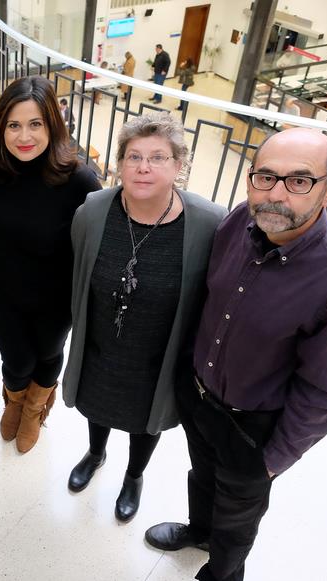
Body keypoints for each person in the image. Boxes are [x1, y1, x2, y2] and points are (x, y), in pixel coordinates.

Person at [145, 128, 327, 581]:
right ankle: (199, 530)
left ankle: (223, 572)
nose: (275, 194)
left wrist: (270, 462)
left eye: (298, 181)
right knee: (203, 476)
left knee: (238, 515)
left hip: (253, 426)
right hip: (200, 395)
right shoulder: (239, 222)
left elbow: (322, 393)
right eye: (265, 177)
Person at [63, 113, 226, 522]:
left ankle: (134, 476)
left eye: (158, 157)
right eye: (134, 156)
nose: (143, 166)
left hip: (158, 354)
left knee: (145, 420)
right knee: (96, 406)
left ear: (178, 166)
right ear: (120, 163)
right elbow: (78, 269)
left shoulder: (207, 223)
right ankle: (95, 453)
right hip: (102, 345)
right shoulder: (94, 210)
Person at [0, 76, 100, 453]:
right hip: (2, 288)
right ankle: (14, 399)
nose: (23, 136)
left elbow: (106, 230)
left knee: (46, 355)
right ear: (0, 128)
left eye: (35, 124)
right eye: (13, 125)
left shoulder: (79, 178)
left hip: (57, 295)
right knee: (16, 359)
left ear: (52, 125)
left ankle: (35, 409)